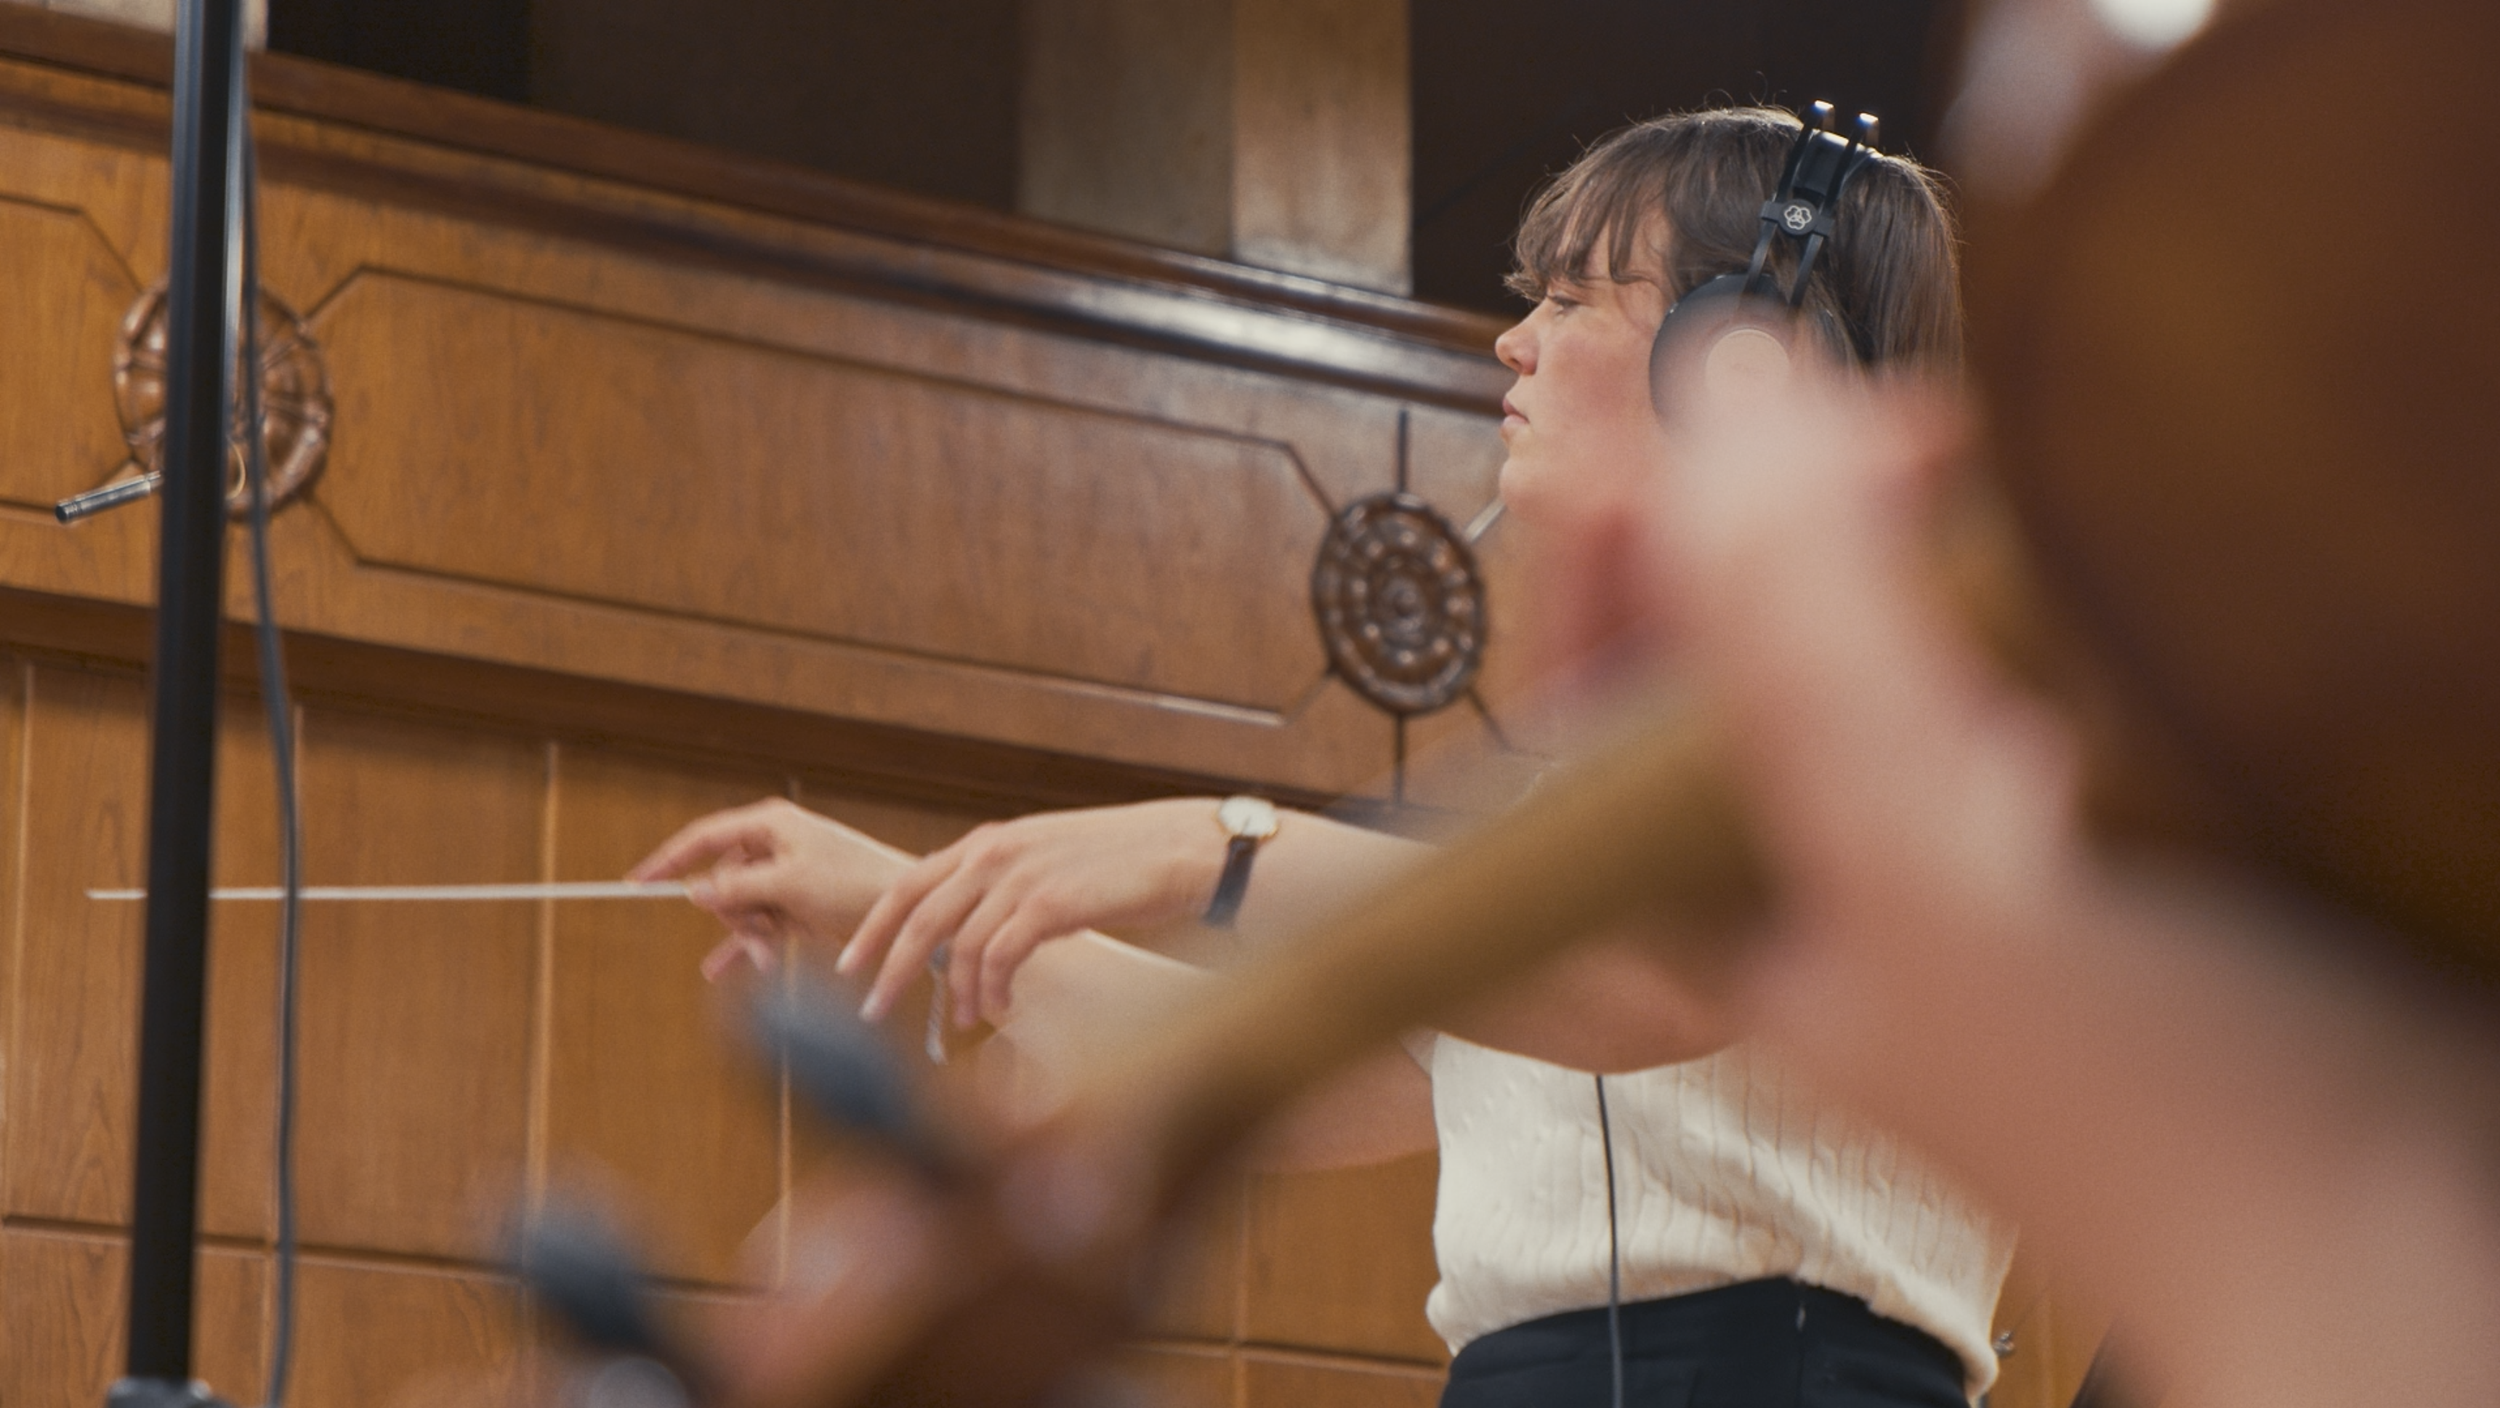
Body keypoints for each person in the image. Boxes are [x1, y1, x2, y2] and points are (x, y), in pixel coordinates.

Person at [635, 108, 2012, 1408]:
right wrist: (910, 902)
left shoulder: (1872, 693)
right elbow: (1281, 1074)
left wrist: (1212, 845)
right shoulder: (1610, 772)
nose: (1511, 346)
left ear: (1737, 358)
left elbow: (1653, 990)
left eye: (1572, 301)